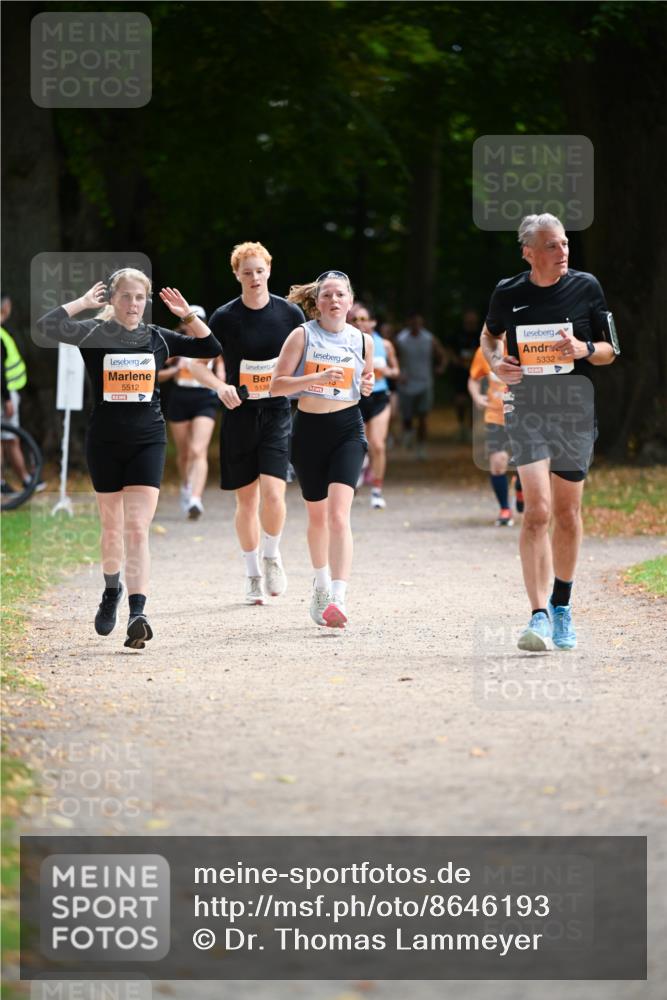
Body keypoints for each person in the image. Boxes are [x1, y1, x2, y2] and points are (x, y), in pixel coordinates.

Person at [36, 270, 222, 649]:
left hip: (147, 440)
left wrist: (188, 315)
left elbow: (210, 347)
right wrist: (84, 303)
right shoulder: (92, 334)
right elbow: (47, 324)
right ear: (113, 299)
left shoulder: (157, 338)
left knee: (137, 528)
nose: (134, 304)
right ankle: (111, 591)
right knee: (112, 528)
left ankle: (139, 612)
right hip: (105, 442)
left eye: (140, 298)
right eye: (126, 297)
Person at [481, 213, 619, 652]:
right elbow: (489, 338)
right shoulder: (509, 292)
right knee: (537, 510)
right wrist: (496, 363)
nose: (563, 252)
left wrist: (584, 349)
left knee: (567, 513)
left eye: (564, 244)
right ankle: (538, 613)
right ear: (529, 252)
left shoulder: (587, 286)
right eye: (553, 246)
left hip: (574, 412)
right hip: (527, 411)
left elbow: (610, 350)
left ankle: (562, 604)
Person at [190, 242, 305, 605]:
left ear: (269, 270)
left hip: (276, 412)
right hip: (239, 412)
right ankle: (252, 573)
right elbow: (197, 365)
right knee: (247, 499)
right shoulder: (224, 317)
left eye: (259, 270)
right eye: (247, 272)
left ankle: (272, 555)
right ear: (236, 275)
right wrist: (221, 386)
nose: (254, 277)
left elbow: (307, 359)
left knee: (275, 492)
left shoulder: (290, 315)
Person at [270, 270, 374, 628]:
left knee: (338, 515)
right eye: (327, 295)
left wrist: (368, 384)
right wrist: (314, 378)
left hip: (348, 429)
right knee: (317, 517)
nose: (333, 300)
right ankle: (321, 585)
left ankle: (339, 597)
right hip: (309, 431)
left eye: (340, 294)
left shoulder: (362, 340)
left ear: (349, 300)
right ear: (317, 302)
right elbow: (276, 386)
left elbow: (364, 384)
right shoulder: (302, 335)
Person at [158, 305, 223, 519]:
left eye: (199, 320)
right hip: (180, 398)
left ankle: (196, 498)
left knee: (197, 450)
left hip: (205, 399)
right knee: (184, 453)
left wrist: (218, 385)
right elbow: (155, 375)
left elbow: (221, 378)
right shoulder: (176, 347)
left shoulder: (213, 348)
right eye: (190, 322)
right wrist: (176, 369)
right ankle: (186, 487)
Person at [348, 303, 400, 509]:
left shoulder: (385, 345)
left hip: (379, 396)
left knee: (377, 444)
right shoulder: (345, 343)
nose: (360, 324)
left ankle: (377, 490)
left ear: (372, 322)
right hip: (356, 398)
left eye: (363, 319)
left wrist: (386, 370)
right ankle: (358, 473)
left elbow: (397, 372)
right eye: (355, 320)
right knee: (357, 445)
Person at [468, 343, 523, 526]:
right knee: (498, 463)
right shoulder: (486, 351)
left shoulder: (527, 347)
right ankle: (505, 509)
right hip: (495, 415)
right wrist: (477, 397)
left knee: (526, 464)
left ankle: (520, 488)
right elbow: (473, 379)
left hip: (526, 418)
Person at [395, 312, 447, 459]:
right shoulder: (401, 339)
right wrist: (399, 372)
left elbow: (441, 355)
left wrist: (440, 367)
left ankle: (421, 447)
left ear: (421, 324)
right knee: (407, 416)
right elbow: (393, 357)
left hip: (425, 382)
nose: (415, 326)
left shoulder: (429, 339)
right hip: (406, 383)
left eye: (418, 323)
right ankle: (408, 432)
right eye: (413, 323)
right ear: (408, 323)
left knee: (423, 417)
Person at [1, 293, 38, 493]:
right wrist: (6, 398)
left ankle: (19, 481)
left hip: (6, 393)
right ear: (5, 307)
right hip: (4, 396)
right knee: (8, 438)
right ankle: (24, 480)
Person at [448, 307, 480, 442]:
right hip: (460, 373)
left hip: (477, 373)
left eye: (473, 322)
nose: (470, 324)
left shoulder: (480, 335)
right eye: (468, 321)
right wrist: (457, 361)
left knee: (474, 402)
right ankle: (461, 425)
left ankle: (471, 429)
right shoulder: (457, 334)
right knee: (460, 402)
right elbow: (449, 351)